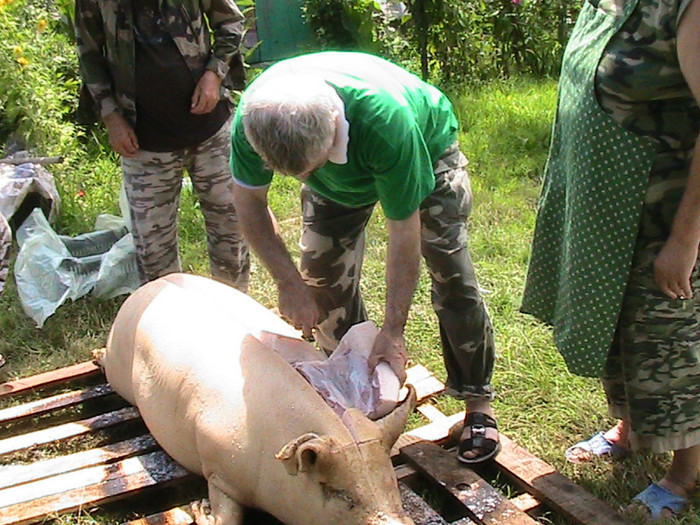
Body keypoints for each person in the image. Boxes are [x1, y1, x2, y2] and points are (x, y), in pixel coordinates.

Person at [231, 51, 499, 464]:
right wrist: (288, 282)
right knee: (321, 277)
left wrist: (393, 330)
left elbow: (402, 235)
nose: (303, 182)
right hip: (338, 164)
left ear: (335, 127)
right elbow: (248, 204)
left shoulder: (385, 121)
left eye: (311, 168)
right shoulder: (256, 118)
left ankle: (477, 400)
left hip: (426, 148)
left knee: (450, 272)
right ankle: (356, 392)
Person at [521, 0, 700, 519]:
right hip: (605, 208)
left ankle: (686, 473)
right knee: (615, 326)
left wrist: (684, 242)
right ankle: (631, 428)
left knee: (670, 341)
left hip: (665, 215)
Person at [74, 0, 249, 290]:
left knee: (231, 236)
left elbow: (231, 22)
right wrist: (111, 115)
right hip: (143, 142)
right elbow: (89, 53)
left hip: (211, 133)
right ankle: (166, 328)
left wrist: (214, 73)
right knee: (154, 256)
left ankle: (235, 317)